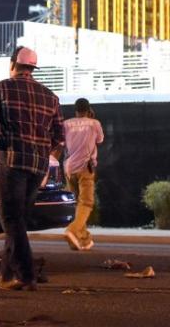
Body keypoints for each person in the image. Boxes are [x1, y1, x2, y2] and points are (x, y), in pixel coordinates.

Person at [0, 46, 64, 291]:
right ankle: (6, 275)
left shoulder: (0, 88)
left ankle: (27, 275)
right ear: (33, 68)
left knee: (9, 219)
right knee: (18, 221)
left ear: (12, 63)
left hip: (12, 161)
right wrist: (45, 158)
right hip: (38, 166)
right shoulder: (50, 96)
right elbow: (59, 136)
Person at [62, 98, 104, 251]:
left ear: (75, 110)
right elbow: (100, 140)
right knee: (86, 202)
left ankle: (84, 239)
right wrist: (91, 119)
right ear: (89, 109)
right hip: (85, 168)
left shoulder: (66, 124)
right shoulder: (94, 123)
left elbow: (61, 143)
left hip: (68, 168)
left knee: (77, 204)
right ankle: (72, 231)